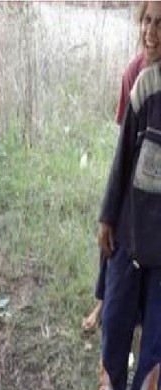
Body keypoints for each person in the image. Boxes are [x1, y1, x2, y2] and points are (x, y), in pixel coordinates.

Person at [93, 49, 161, 390]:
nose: (153, 29)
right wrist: (107, 216)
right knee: (115, 319)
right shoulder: (147, 84)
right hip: (130, 231)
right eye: (149, 20)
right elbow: (121, 161)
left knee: (154, 339)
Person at [82, 1, 161, 332]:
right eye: (146, 20)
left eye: (159, 23)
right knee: (112, 229)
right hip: (130, 175)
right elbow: (124, 146)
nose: (150, 31)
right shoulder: (132, 73)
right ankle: (103, 303)